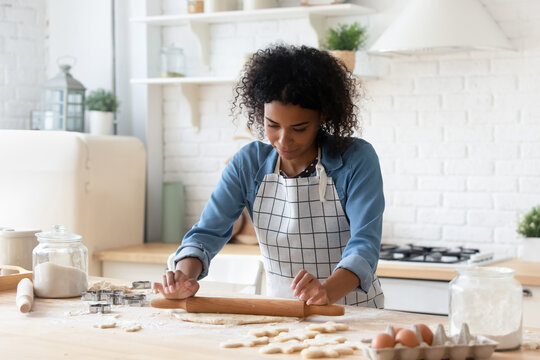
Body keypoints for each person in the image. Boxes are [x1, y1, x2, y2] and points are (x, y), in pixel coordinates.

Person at [153, 44, 385, 307]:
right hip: (282, 314)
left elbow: (365, 244)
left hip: (353, 313)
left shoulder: (355, 160)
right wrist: (182, 277)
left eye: (299, 128)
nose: (283, 140)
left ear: (323, 115)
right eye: (272, 125)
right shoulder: (248, 164)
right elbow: (205, 234)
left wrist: (327, 290)